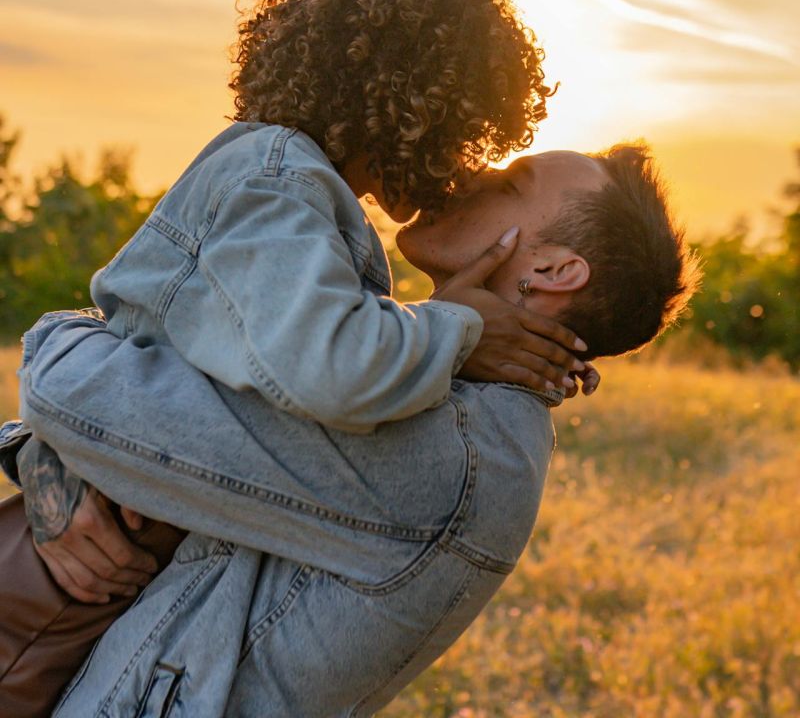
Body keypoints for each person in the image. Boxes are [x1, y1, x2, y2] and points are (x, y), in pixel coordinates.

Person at [5, 140, 698, 717]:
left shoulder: (454, 455)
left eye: (512, 182)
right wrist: (47, 458)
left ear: (552, 271)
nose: (475, 170)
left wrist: (51, 399)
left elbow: (82, 397)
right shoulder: (410, 375)